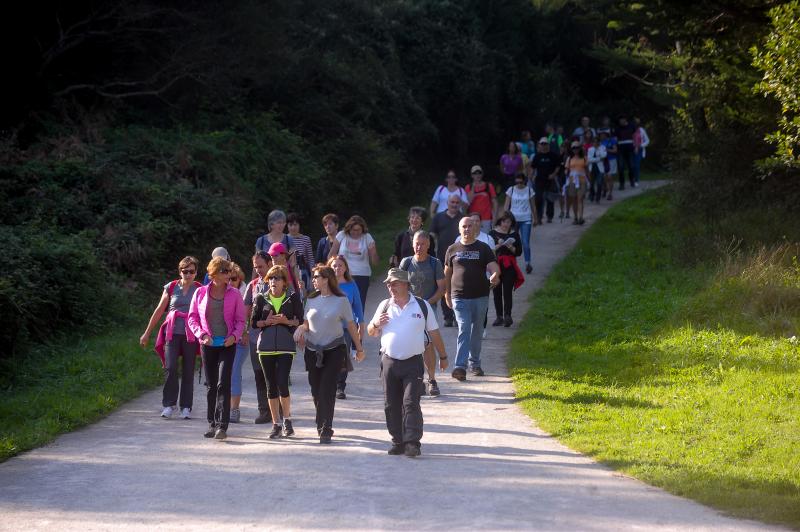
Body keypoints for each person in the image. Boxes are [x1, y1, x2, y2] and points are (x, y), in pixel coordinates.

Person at [368, 268, 448, 457]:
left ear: (405, 284)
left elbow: (434, 332)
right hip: (389, 362)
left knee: (411, 402)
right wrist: (377, 324)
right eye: (388, 284)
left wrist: (443, 357)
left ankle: (412, 442)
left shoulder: (421, 306)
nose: (390, 287)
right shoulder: (384, 306)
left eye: (394, 283)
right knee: (391, 404)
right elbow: (371, 332)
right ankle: (398, 441)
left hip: (413, 362)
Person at [293, 265, 366, 444]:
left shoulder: (341, 300)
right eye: (314, 276)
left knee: (327, 388)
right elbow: (306, 323)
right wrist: (301, 330)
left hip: (334, 350)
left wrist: (359, 348)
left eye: (317, 276)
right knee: (316, 389)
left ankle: (326, 427)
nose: (314, 280)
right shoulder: (311, 299)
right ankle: (321, 420)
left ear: (326, 279)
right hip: (312, 350)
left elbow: (351, 325)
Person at [187, 256, 246, 440]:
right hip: (208, 344)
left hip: (227, 344)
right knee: (211, 385)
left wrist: (234, 336)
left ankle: (222, 426)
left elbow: (240, 320)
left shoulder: (235, 294)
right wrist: (202, 335)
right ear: (214, 274)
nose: (229, 274)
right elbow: (192, 317)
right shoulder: (201, 293)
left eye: (229, 271)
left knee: (223, 382)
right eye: (225, 271)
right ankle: (212, 423)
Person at [140, 256, 201, 419]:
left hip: (191, 334)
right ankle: (169, 404)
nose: (188, 274)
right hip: (172, 332)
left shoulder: (200, 289)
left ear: (196, 273)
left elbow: (206, 313)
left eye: (191, 271)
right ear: (180, 271)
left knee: (189, 370)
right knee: (170, 367)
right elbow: (160, 309)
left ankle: (186, 407)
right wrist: (147, 333)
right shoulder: (171, 287)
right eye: (185, 271)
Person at [251, 265, 304, 439]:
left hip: (286, 347)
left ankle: (287, 419)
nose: (274, 281)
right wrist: (265, 322)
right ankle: (276, 424)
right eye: (271, 278)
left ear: (284, 282)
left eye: (278, 278)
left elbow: (300, 321)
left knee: (282, 383)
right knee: (270, 386)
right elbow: (253, 323)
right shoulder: (260, 298)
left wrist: (286, 321)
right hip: (265, 349)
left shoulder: (293, 298)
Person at [444, 217, 500, 381]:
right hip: (459, 297)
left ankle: (475, 363)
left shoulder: (483, 248)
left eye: (470, 226)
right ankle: (460, 367)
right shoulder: (452, 249)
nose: (467, 229)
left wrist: (495, 275)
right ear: (459, 229)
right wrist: (446, 293)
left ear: (475, 228)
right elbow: (447, 273)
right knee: (464, 328)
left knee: (477, 331)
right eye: (464, 226)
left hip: (480, 296)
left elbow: (493, 266)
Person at [399, 230, 445, 396]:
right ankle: (412, 380)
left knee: (428, 344)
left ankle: (432, 380)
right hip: (407, 308)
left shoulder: (435, 263)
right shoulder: (406, 262)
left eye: (423, 244)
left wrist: (426, 303)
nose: (419, 247)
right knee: (407, 342)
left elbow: (441, 288)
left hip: (427, 308)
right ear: (413, 244)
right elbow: (397, 284)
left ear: (428, 245)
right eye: (417, 243)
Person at [327, 255, 365, 400]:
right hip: (327, 328)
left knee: (342, 357)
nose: (337, 268)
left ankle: (340, 386)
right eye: (334, 265)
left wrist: (361, 325)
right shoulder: (325, 284)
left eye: (340, 265)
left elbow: (358, 306)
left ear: (345, 268)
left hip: (346, 328)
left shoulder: (351, 285)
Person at [244, 250, 274, 424]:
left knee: (275, 375)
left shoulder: (280, 282)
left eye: (261, 266)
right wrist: (243, 331)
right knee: (259, 374)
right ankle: (264, 411)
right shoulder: (253, 285)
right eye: (255, 267)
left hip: (276, 337)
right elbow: (245, 310)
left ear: (270, 264)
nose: (258, 270)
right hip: (256, 338)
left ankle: (278, 410)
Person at [328, 215, 378, 310]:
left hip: (362, 276)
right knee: (342, 303)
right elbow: (331, 254)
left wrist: (373, 251)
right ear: (348, 229)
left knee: (358, 304)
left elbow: (375, 262)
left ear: (362, 229)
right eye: (353, 230)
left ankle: (359, 324)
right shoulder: (341, 235)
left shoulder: (367, 237)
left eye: (358, 230)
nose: (355, 233)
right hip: (343, 274)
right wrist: (330, 271)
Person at [429, 194, 462, 328]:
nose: (454, 204)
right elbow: (432, 235)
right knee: (444, 287)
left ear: (459, 204)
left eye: (456, 202)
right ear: (447, 203)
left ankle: (457, 315)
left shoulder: (462, 219)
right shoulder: (438, 217)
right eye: (452, 202)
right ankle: (447, 317)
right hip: (442, 258)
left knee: (458, 288)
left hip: (460, 259)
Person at [489, 212, 524, 327]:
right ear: (500, 221)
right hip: (496, 265)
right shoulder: (492, 233)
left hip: (509, 266)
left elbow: (518, 252)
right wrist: (498, 246)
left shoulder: (514, 235)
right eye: (504, 221)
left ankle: (507, 316)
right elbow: (489, 251)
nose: (506, 224)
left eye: (508, 222)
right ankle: (499, 316)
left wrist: (510, 246)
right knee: (496, 291)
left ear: (511, 223)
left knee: (507, 291)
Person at [228, 262, 249, 423]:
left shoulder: (246, 293)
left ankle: (234, 410)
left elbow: (250, 315)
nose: (230, 282)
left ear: (239, 279)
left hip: (241, 339)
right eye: (228, 279)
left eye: (233, 279)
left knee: (234, 371)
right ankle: (224, 406)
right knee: (223, 373)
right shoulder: (220, 292)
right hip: (223, 339)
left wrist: (246, 332)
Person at [503, 173, 536, 274]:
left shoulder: (529, 190)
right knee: (512, 242)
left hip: (526, 219)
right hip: (513, 220)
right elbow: (506, 206)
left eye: (521, 181)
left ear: (524, 181)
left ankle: (528, 263)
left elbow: (533, 205)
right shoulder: (511, 190)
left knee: (525, 242)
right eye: (517, 181)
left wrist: (536, 218)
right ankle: (512, 263)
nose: (519, 183)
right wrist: (504, 219)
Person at [255, 210, 296, 278]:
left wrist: (297, 285)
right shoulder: (261, 241)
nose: (282, 225)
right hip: (266, 279)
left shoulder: (289, 240)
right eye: (279, 222)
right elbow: (256, 264)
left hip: (285, 279)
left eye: (283, 222)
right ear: (271, 224)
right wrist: (253, 282)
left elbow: (293, 265)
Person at [531, 136, 561, 225]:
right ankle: (539, 217)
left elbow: (558, 166)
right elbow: (533, 167)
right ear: (540, 145)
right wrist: (530, 176)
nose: (544, 146)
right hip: (539, 179)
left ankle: (549, 216)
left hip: (550, 179)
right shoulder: (537, 156)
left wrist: (554, 174)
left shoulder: (553, 155)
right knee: (538, 198)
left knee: (550, 199)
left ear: (548, 145)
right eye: (542, 144)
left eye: (545, 144)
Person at [287, 212, 314, 293]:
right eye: (291, 225)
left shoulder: (306, 239)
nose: (293, 227)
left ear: (299, 225)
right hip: (289, 271)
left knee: (304, 295)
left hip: (303, 271)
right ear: (287, 226)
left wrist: (313, 274)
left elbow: (310, 258)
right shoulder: (284, 239)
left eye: (295, 224)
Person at [465, 165, 497, 234]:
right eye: (475, 173)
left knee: (486, 239)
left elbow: (495, 202)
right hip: (472, 218)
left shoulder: (489, 186)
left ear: (482, 174)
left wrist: (494, 217)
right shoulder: (468, 187)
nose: (477, 175)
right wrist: (473, 188)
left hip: (486, 218)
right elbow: (467, 203)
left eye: (479, 173)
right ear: (471, 175)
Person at [565, 141, 589, 225]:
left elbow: (587, 169)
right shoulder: (569, 158)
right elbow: (567, 170)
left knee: (580, 199)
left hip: (582, 180)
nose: (575, 149)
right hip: (572, 181)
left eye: (577, 147)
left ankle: (581, 217)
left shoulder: (584, 158)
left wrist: (589, 180)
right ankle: (575, 217)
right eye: (573, 148)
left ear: (580, 148)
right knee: (574, 199)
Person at [617, 116, 636, 190]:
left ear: (625, 120)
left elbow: (636, 136)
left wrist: (636, 146)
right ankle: (622, 184)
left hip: (630, 150)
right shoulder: (617, 129)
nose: (621, 121)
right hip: (620, 150)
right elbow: (615, 139)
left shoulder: (632, 127)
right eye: (620, 120)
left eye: (622, 119)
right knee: (621, 167)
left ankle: (632, 180)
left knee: (631, 166)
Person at [587, 135, 607, 203]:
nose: (595, 143)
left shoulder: (603, 147)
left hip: (600, 169)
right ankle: (592, 195)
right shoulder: (590, 149)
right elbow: (589, 159)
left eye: (596, 142)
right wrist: (598, 159)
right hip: (592, 168)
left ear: (599, 142)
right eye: (594, 142)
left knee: (599, 183)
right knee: (591, 184)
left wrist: (598, 149)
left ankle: (598, 197)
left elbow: (604, 155)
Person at [599, 129, 617, 201]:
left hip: (611, 160)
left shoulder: (612, 140)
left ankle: (610, 193)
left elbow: (615, 150)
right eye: (601, 135)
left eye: (603, 134)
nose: (602, 136)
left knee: (610, 176)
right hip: (603, 161)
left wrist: (607, 150)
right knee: (604, 177)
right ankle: (605, 188)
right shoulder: (599, 142)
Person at [632, 116, 650, 186]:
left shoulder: (642, 130)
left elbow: (647, 141)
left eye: (637, 122)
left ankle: (636, 179)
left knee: (636, 165)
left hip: (639, 150)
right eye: (635, 122)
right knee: (632, 165)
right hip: (631, 149)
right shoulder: (630, 130)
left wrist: (640, 146)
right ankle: (632, 178)